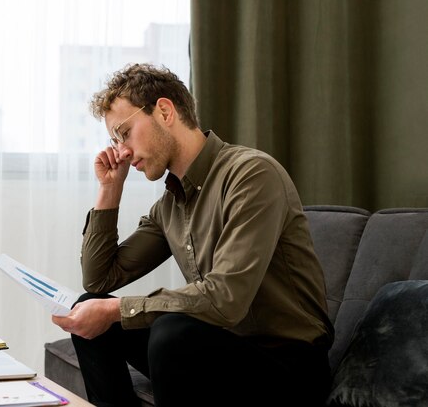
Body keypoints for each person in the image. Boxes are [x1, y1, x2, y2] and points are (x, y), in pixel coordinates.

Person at [51, 63, 334, 407]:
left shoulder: (251, 174)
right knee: (87, 314)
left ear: (165, 111)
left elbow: (224, 299)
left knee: (170, 333)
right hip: (217, 347)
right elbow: (98, 279)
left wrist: (116, 309)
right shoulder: (169, 205)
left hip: (289, 367)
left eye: (124, 132)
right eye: (115, 140)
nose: (121, 151)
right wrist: (110, 189)